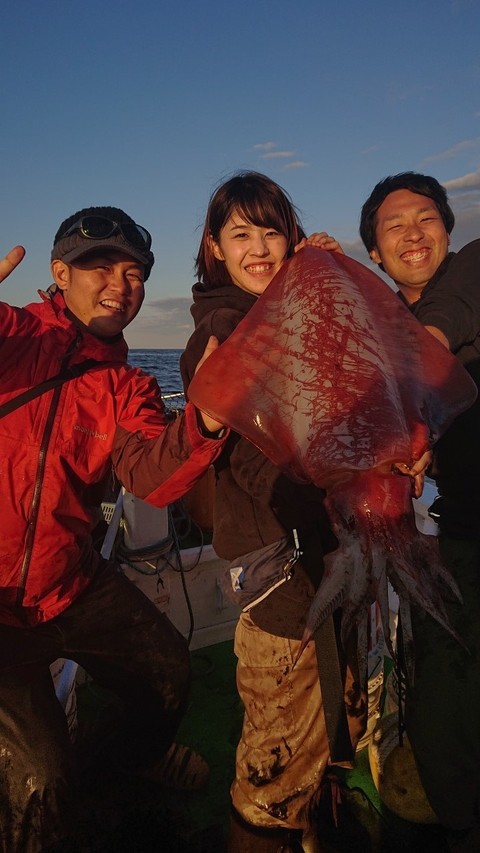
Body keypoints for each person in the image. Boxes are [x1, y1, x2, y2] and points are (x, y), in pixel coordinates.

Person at [0, 206, 228, 852]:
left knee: (169, 676)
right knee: (38, 779)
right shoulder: (10, 336)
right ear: (58, 273)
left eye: (134, 273)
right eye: (101, 265)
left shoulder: (128, 387)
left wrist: (203, 425)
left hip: (70, 582)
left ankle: (105, 769)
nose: (121, 285)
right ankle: (61, 787)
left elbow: (152, 474)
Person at [180, 172, 369, 853]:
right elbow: (263, 455)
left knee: (318, 753)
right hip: (287, 588)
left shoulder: (283, 308)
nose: (259, 247)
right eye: (241, 234)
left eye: (272, 231)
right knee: (272, 780)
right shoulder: (227, 328)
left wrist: (325, 276)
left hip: (327, 564)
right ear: (214, 250)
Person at [359, 172, 480, 849]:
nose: (412, 230)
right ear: (375, 252)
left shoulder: (475, 269)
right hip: (462, 523)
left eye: (426, 216)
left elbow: (451, 317)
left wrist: (413, 399)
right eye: (393, 224)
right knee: (444, 704)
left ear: (449, 232)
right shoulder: (384, 323)